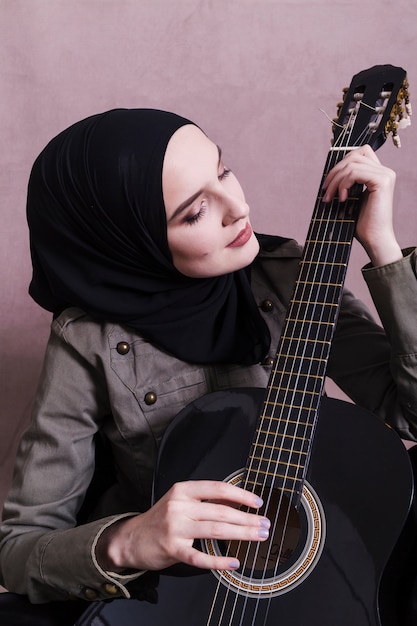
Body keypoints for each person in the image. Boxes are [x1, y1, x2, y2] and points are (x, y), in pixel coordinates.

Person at [0, 108, 416, 623]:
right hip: (182, 597)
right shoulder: (89, 341)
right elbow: (20, 550)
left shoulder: (292, 277)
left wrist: (384, 248)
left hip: (318, 573)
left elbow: (411, 417)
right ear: (133, 240)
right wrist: (129, 541)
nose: (238, 209)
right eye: (194, 212)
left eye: (223, 171)